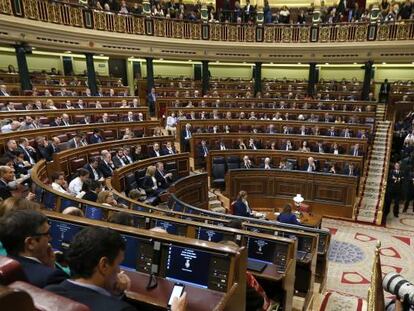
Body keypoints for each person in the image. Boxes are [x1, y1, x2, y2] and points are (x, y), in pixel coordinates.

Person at [46, 227, 188, 311]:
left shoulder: (50, 291)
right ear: (104, 265)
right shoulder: (120, 309)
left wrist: (117, 293)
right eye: (118, 264)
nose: (119, 271)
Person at [0, 210, 68, 288]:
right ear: (30, 243)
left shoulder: (3, 266)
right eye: (47, 234)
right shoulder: (51, 277)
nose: (50, 238)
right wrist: (51, 268)